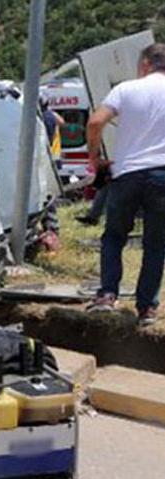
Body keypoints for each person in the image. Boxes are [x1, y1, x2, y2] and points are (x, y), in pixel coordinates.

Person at [86, 44, 165, 327]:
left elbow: (96, 122)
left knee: (114, 237)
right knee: (156, 245)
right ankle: (147, 309)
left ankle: (107, 295)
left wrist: (95, 159)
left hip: (127, 174)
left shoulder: (126, 89)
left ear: (145, 64)